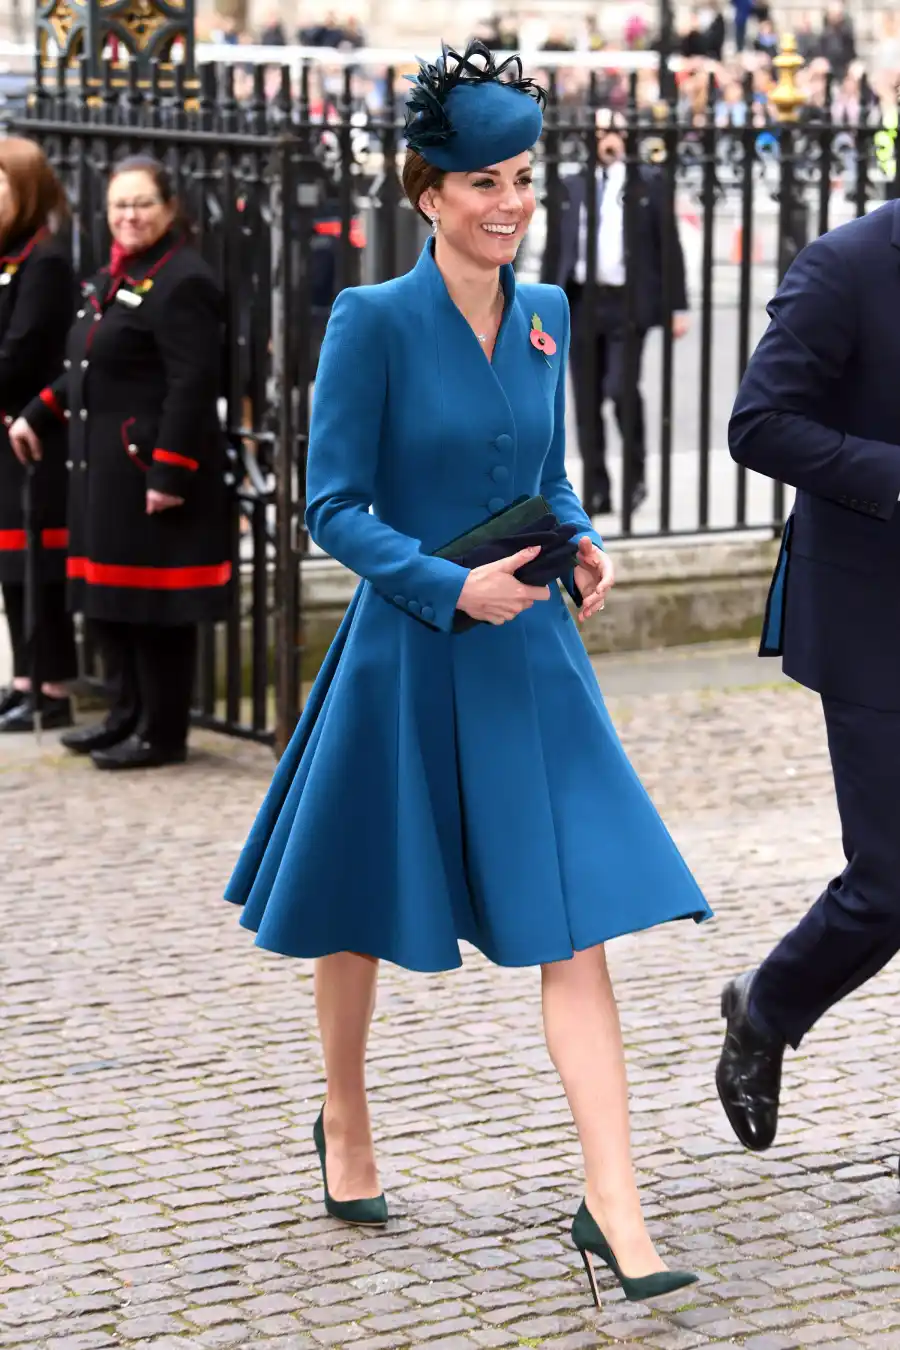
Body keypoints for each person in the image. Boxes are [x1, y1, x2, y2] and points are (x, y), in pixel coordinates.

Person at [226, 39, 710, 1305]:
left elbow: (541, 474)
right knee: (358, 902)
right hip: (407, 645)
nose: (508, 203)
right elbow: (331, 505)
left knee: (575, 920)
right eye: (481, 181)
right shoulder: (370, 319)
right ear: (427, 192)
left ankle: (615, 1202)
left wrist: (582, 537)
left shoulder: (548, 314)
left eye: (521, 178)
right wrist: (448, 586)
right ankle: (344, 1115)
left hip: (530, 652)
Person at [717, 198, 900, 1152]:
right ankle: (767, 1006)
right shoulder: (846, 264)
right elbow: (758, 423)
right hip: (876, 618)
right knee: (892, 880)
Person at [11, 155, 231, 770]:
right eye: (119, 206)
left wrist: (170, 471)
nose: (129, 216)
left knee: (154, 612)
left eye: (142, 204)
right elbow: (87, 364)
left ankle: (162, 732)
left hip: (146, 471)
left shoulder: (184, 279)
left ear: (170, 208)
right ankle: (124, 715)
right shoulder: (118, 273)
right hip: (101, 471)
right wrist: (38, 410)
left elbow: (192, 386)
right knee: (111, 605)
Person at [554, 109, 689, 516]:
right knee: (586, 399)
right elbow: (556, 251)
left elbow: (669, 246)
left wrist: (676, 305)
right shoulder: (572, 184)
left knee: (619, 389)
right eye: (600, 132)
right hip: (581, 300)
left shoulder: (646, 184)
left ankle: (636, 477)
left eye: (614, 131)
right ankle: (597, 487)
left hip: (628, 302)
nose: (608, 139)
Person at [0, 139, 78, 734]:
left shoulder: (44, 260)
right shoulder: (9, 255)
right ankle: (23, 677)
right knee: (11, 564)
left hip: (33, 433)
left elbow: (22, 354)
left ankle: (50, 685)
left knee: (37, 561)